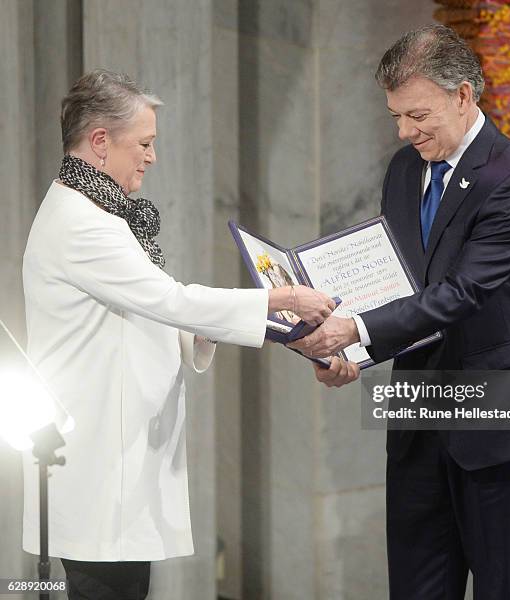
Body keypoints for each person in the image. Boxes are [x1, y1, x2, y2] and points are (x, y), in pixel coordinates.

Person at [21, 69, 338, 600]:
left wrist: (276, 330)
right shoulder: (83, 223)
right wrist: (282, 301)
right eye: (144, 143)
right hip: (99, 459)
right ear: (100, 142)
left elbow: (150, 310)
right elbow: (171, 300)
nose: (152, 157)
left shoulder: (95, 211)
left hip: (113, 454)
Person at [290, 26, 510, 599]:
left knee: (501, 587)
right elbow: (401, 285)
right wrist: (353, 352)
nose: (404, 131)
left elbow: (462, 293)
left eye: (417, 115)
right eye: (396, 116)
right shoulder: (403, 168)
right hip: (420, 409)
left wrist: (359, 329)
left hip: (503, 413)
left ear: (463, 95)